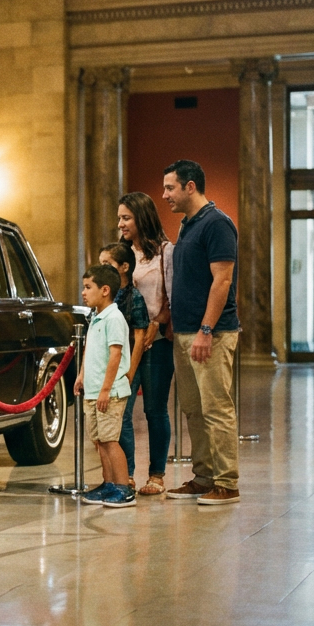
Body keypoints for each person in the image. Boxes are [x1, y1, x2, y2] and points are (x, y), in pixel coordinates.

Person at [161, 159, 241, 505]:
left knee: (216, 408)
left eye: (170, 188)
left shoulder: (217, 224)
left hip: (211, 333)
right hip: (184, 332)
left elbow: (222, 280)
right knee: (193, 409)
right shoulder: (186, 225)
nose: (165, 195)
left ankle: (227, 483)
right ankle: (204, 476)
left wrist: (206, 330)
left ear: (190, 186)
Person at [117, 192, 174, 496]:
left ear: (142, 217)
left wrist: (157, 323)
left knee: (155, 409)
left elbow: (172, 297)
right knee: (123, 410)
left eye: (126, 218)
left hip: (157, 340)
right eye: (119, 218)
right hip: (125, 342)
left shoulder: (166, 252)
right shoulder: (120, 253)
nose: (121, 224)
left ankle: (157, 475)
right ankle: (126, 474)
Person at [74, 264, 135, 508]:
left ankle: (123, 488)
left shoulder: (114, 317)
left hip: (109, 392)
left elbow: (115, 355)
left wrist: (106, 389)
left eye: (88, 287)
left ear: (106, 290)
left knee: (111, 440)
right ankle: (108, 483)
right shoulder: (96, 317)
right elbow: (91, 351)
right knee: (99, 440)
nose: (83, 292)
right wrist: (81, 375)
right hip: (93, 390)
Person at [99, 242, 150, 491]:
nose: (101, 269)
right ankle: (109, 476)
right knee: (105, 422)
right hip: (105, 366)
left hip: (126, 366)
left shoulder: (134, 297)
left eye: (107, 264)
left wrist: (130, 372)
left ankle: (127, 473)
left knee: (123, 418)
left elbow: (139, 337)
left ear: (124, 267)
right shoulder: (104, 295)